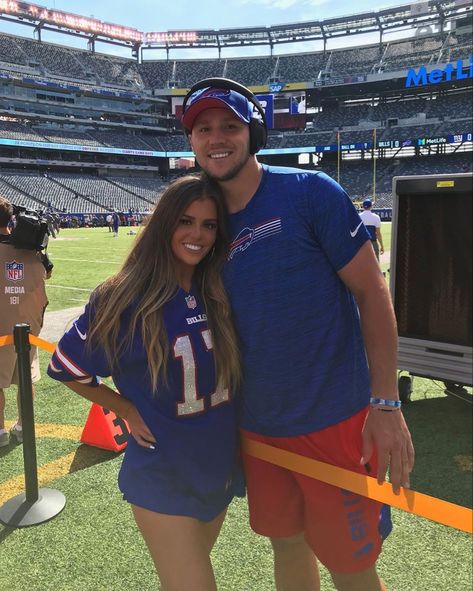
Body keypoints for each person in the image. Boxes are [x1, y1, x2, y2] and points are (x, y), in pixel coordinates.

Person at [182, 78, 415, 591]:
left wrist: (385, 403)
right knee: (285, 544)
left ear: (253, 132)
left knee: (351, 567)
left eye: (229, 126)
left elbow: (373, 296)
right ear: (191, 141)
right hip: (258, 424)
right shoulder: (200, 223)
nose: (216, 138)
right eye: (203, 129)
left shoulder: (309, 192)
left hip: (335, 419)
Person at [47, 175, 242, 591]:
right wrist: (125, 408)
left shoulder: (219, 287)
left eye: (209, 225)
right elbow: (67, 367)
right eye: (186, 221)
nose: (198, 235)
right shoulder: (124, 295)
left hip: (217, 464)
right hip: (163, 470)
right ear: (164, 223)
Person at [0, 196, 52, 447]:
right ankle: (23, 424)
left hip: (1, 325)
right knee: (25, 378)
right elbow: (47, 273)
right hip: (27, 324)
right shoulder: (34, 249)